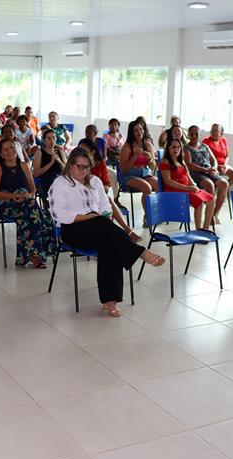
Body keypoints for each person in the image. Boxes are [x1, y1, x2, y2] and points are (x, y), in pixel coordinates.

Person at [49, 147, 165, 317]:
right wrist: (88, 217)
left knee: (110, 242)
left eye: (87, 166)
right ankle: (141, 253)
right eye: (79, 166)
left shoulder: (95, 181)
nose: (84, 170)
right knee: (107, 230)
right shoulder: (61, 183)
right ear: (70, 165)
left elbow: (106, 207)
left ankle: (110, 302)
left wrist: (101, 217)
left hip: (100, 228)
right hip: (72, 229)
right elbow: (58, 214)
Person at [0, 138, 57, 268]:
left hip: (26, 202)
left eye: (12, 147)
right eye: (6, 149)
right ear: (1, 154)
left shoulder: (24, 165)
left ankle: (30, 256)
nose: (10, 151)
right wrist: (15, 195)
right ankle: (36, 255)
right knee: (37, 214)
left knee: (38, 215)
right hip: (8, 204)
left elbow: (32, 189)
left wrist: (27, 195)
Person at [78, 138, 141, 243]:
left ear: (92, 152)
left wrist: (101, 189)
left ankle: (124, 231)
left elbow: (106, 183)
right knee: (108, 201)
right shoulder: (78, 165)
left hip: (98, 195)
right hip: (82, 199)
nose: (81, 154)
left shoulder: (100, 163)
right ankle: (124, 231)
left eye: (84, 151)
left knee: (107, 201)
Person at [159, 138, 216, 230]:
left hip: (187, 189)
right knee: (199, 202)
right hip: (175, 191)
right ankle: (198, 230)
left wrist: (193, 185)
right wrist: (188, 188)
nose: (176, 149)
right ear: (168, 148)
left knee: (211, 200)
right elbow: (168, 181)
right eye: (173, 147)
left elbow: (187, 175)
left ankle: (205, 229)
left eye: (178, 147)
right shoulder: (165, 162)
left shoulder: (181, 161)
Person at [184, 125, 228, 223]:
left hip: (209, 171)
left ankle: (214, 215)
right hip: (196, 173)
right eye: (191, 134)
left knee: (224, 184)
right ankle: (208, 219)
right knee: (210, 184)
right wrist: (206, 170)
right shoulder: (186, 148)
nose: (194, 136)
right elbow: (189, 165)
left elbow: (214, 160)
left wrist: (214, 168)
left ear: (199, 135)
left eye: (196, 134)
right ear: (188, 135)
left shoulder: (204, 146)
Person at [118, 120, 157, 225]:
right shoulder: (127, 146)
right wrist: (135, 156)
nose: (139, 132)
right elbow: (123, 169)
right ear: (132, 133)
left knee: (159, 184)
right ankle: (147, 217)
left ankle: (156, 213)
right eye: (135, 130)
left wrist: (150, 159)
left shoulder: (148, 145)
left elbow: (152, 166)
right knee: (147, 187)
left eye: (140, 129)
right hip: (129, 176)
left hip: (145, 174)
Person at [203, 123, 233, 188]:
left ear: (221, 133)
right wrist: (217, 167)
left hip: (223, 166)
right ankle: (220, 189)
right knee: (217, 177)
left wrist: (225, 165)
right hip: (212, 167)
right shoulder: (206, 141)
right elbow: (205, 159)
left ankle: (222, 191)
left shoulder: (223, 140)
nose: (213, 132)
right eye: (212, 130)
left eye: (216, 131)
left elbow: (227, 156)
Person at [33, 129, 66, 199]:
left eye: (54, 138)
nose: (52, 140)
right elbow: (36, 174)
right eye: (49, 138)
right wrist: (51, 163)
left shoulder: (60, 151)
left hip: (60, 179)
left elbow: (67, 171)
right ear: (44, 141)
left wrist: (59, 161)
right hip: (46, 181)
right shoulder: (39, 153)